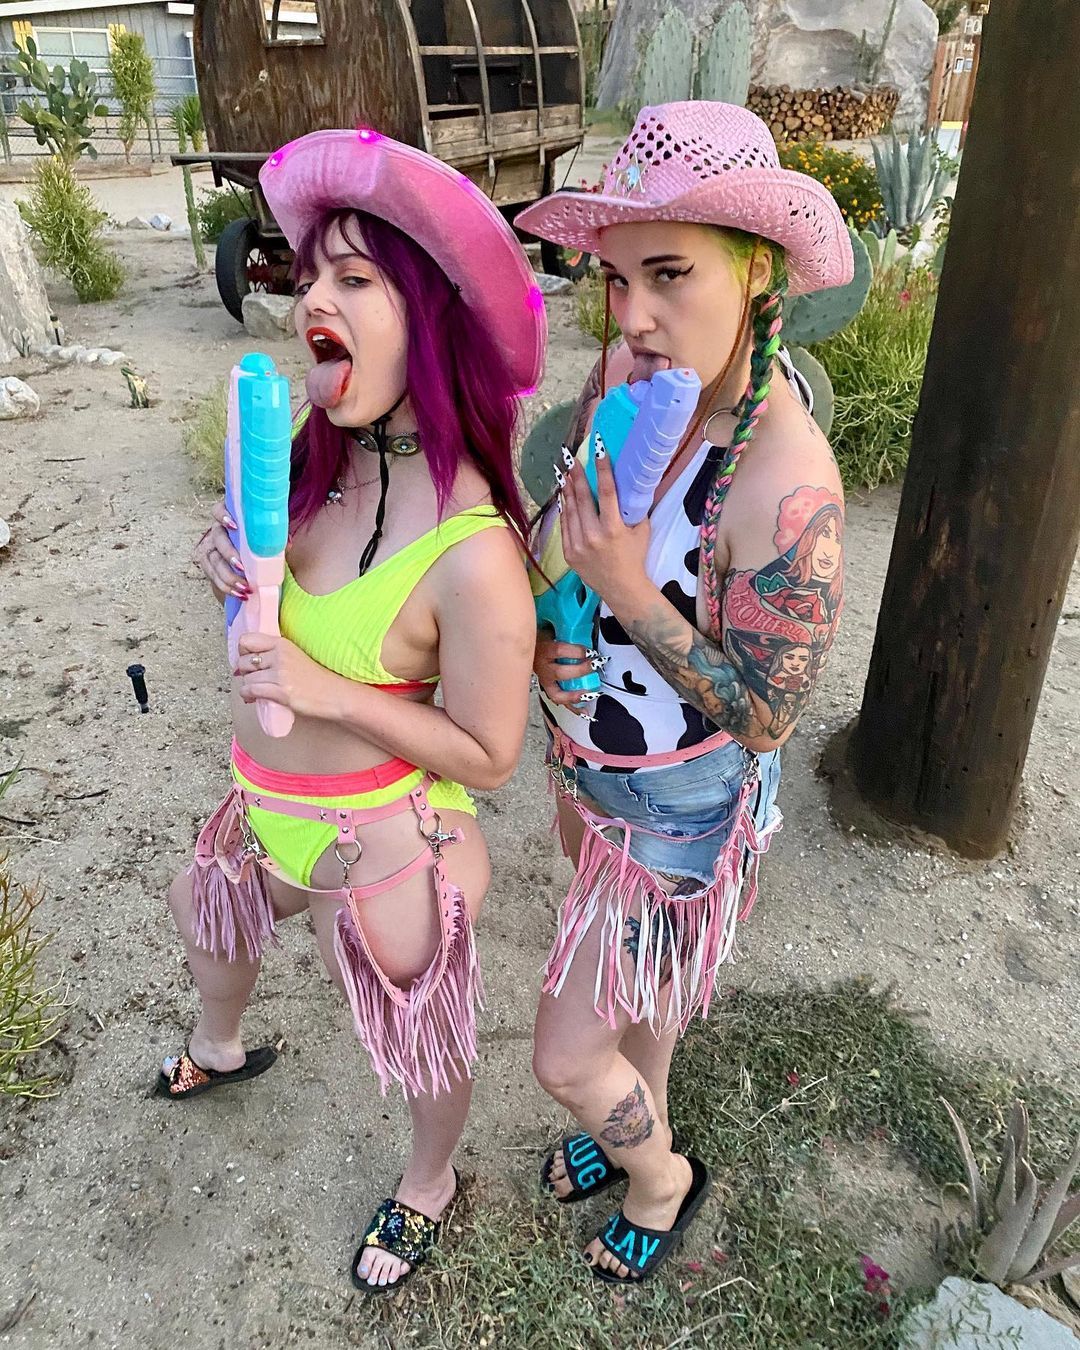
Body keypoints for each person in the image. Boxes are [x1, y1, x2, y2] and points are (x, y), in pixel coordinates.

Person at [155, 128, 544, 1295]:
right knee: (206, 909)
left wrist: (329, 691)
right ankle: (221, 1045)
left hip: (380, 833)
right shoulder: (311, 465)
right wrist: (234, 576)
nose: (310, 299)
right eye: (308, 274)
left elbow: (492, 754)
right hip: (265, 800)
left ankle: (430, 1179)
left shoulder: (473, 551)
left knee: (405, 1002)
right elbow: (269, 620)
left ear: (430, 317)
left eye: (356, 279)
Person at [514, 101, 850, 1284]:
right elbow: (571, 523)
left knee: (566, 1055)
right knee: (641, 995)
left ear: (757, 273)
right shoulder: (625, 373)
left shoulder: (785, 484)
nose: (634, 318)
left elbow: (764, 714)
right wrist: (549, 625)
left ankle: (659, 1177)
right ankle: (636, 1119)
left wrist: (626, 588)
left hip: (678, 808)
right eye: (616, 279)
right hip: (587, 767)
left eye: (669, 275)